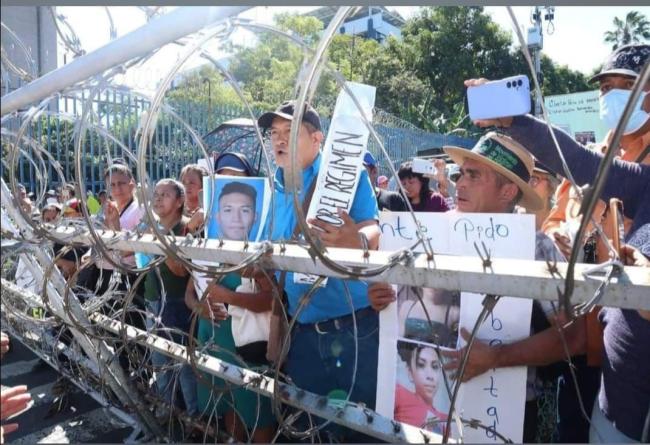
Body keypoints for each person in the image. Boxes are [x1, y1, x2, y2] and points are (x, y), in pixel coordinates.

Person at [465, 64, 649, 443]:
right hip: (614, 395)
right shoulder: (638, 178)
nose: (460, 184)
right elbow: (579, 162)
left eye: (625, 86)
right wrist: (513, 119)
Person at [370, 132, 567, 442]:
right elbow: (400, 301)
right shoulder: (433, 232)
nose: (459, 182)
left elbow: (573, 336)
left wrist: (499, 357)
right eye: (461, 173)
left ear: (508, 191)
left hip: (505, 414)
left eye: (474, 175)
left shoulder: (537, 248)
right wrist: (384, 299)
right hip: (433, 414)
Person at [258, 99, 380, 442]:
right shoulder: (276, 188)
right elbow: (268, 249)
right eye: (275, 133)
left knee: (363, 429)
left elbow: (374, 228)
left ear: (317, 139)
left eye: (291, 132)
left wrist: (354, 240)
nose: (279, 140)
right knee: (310, 431)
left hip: (355, 330)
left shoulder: (344, 176)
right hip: (303, 332)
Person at [184, 154, 275, 442]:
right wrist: (201, 308)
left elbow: (271, 302)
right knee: (227, 405)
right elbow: (189, 293)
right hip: (213, 335)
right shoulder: (206, 240)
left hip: (247, 341)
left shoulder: (262, 244)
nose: (235, 216)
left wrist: (227, 296)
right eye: (220, 177)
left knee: (258, 409)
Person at [143, 178, 198, 416]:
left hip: (176, 304)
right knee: (160, 361)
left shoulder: (185, 229)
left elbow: (179, 270)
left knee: (182, 363)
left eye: (165, 195)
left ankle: (193, 416)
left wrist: (161, 238)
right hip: (153, 299)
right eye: (156, 194)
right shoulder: (155, 226)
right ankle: (167, 410)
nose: (157, 199)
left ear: (179, 201)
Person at [395, 344, 448, 435]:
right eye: (421, 365)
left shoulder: (447, 418)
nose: (430, 376)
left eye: (435, 366)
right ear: (410, 373)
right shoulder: (399, 393)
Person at [519, 162, 560, 232]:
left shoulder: (560, 227)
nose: (527, 185)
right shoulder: (509, 219)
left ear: (551, 188)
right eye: (524, 179)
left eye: (534, 178)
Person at [179, 163, 208, 234]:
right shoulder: (175, 212)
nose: (186, 186)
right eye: (183, 182)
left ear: (203, 185)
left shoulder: (210, 211)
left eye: (191, 183)